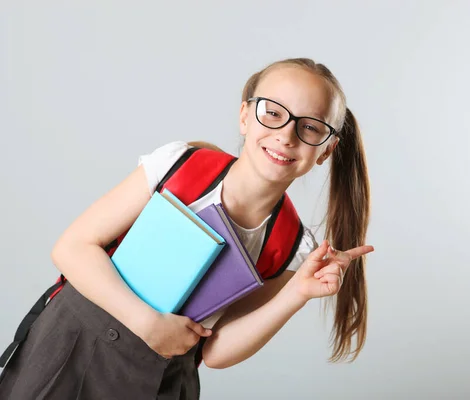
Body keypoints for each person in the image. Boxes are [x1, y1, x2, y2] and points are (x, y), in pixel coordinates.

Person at [0, 57, 374, 399]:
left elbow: (216, 350)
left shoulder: (290, 245)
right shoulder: (180, 165)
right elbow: (72, 247)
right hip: (72, 344)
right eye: (272, 113)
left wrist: (297, 294)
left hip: (161, 378)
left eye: (310, 127)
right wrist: (148, 324)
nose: (286, 135)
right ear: (245, 116)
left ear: (326, 149)